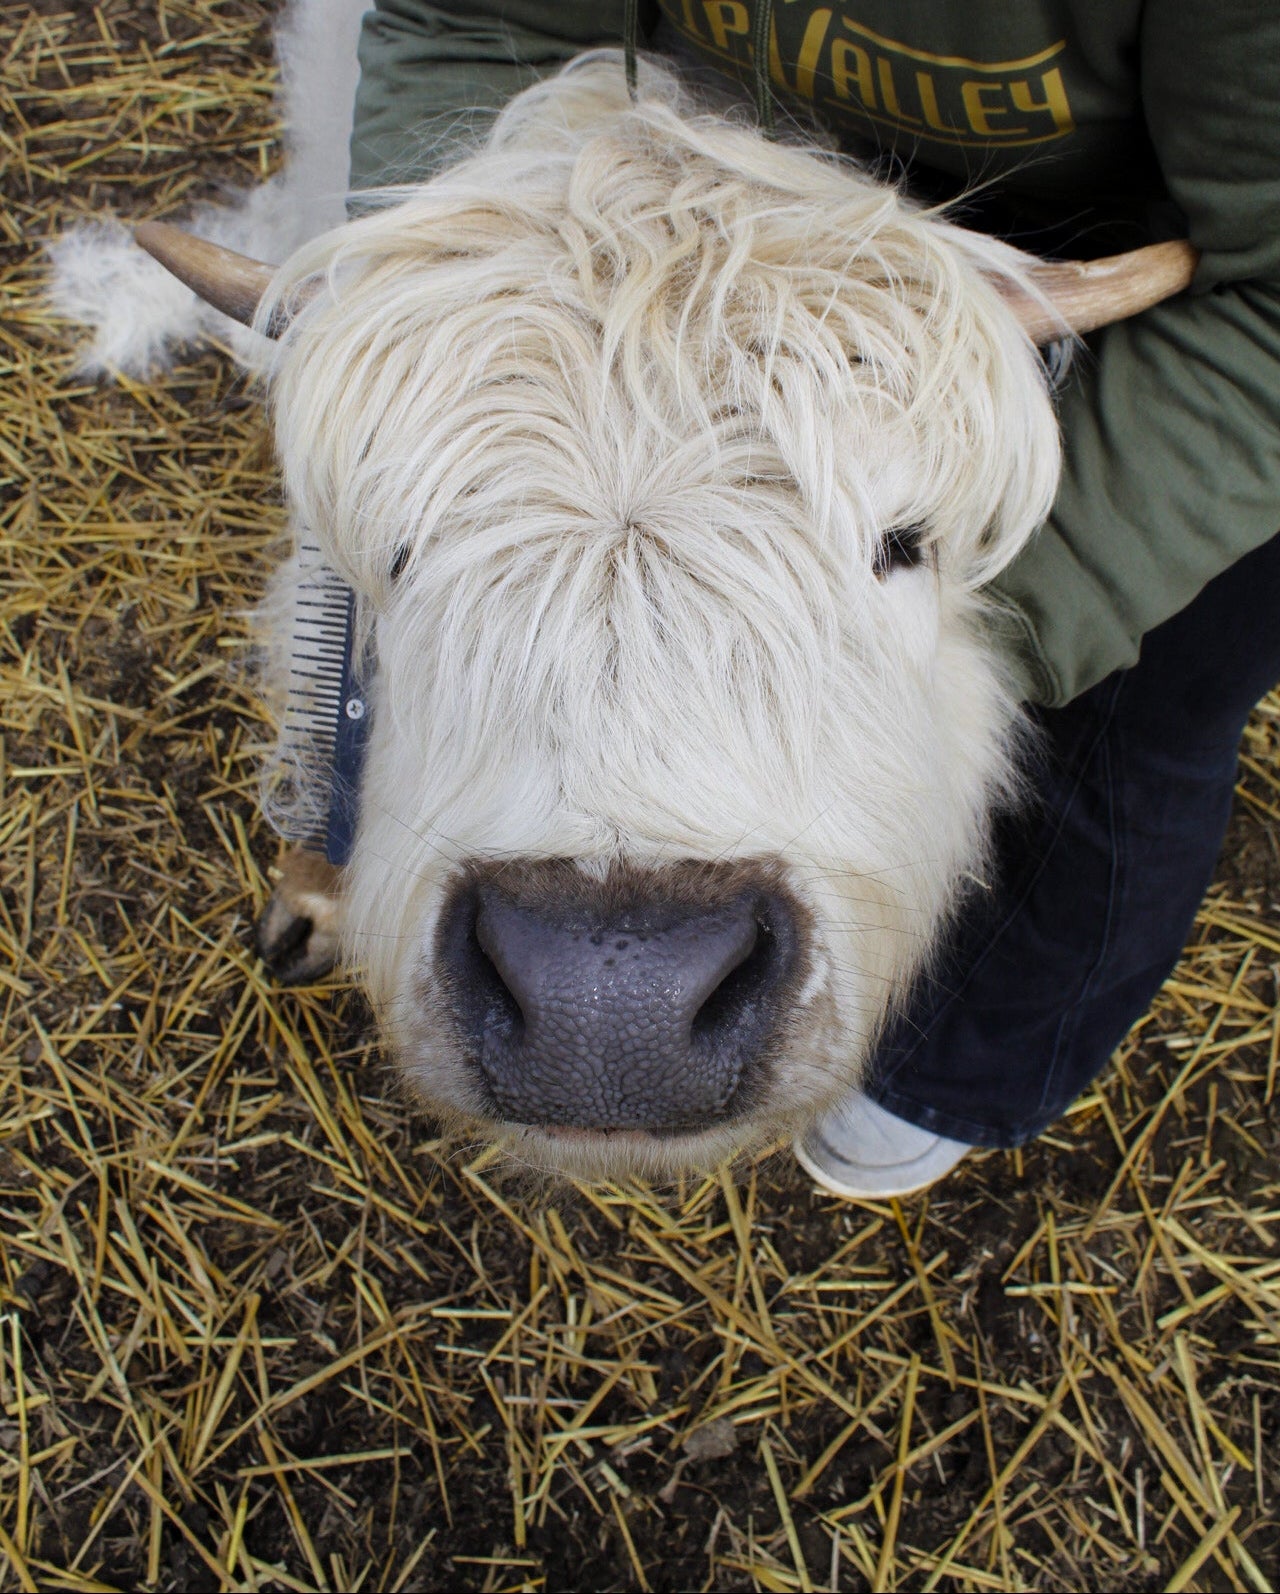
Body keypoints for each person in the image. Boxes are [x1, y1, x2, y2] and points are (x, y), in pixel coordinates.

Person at [347, 0, 1280, 1197]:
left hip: (1179, 309)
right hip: (712, 242)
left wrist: (967, 621)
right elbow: (477, 23)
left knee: (1129, 721)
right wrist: (487, 311)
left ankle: (963, 1075)